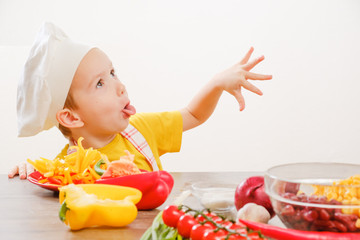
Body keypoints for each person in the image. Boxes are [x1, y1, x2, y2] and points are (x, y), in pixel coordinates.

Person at [8, 22, 272, 179]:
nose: (120, 86)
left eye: (113, 73)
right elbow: (42, 177)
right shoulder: (68, 167)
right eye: (100, 83)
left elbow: (193, 114)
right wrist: (26, 170)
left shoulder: (141, 128)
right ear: (71, 117)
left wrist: (216, 83)